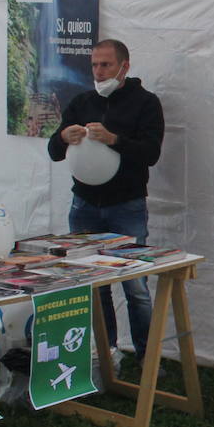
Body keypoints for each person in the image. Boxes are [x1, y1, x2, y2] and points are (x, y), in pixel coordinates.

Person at [48, 39, 165, 362]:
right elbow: (54, 152)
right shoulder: (81, 101)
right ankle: (106, 352)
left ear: (124, 66)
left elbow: (151, 153)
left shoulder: (146, 103)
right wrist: (62, 137)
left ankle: (147, 358)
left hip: (126, 205)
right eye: (95, 66)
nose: (99, 72)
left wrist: (114, 140)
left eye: (106, 65)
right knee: (93, 283)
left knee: (136, 287)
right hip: (84, 205)